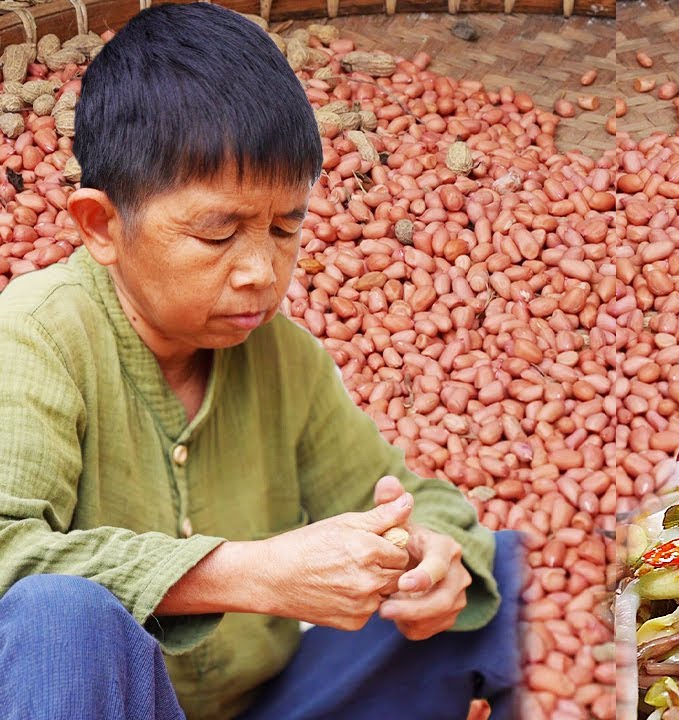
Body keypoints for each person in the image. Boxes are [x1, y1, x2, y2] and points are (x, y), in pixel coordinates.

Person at [0, 4, 521, 719]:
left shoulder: (283, 357)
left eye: (283, 228)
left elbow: (406, 498)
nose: (261, 272)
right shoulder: (37, 335)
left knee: (511, 568)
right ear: (101, 225)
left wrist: (431, 555)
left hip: (268, 703)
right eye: (218, 234)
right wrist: (245, 573)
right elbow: (8, 553)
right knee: (60, 617)